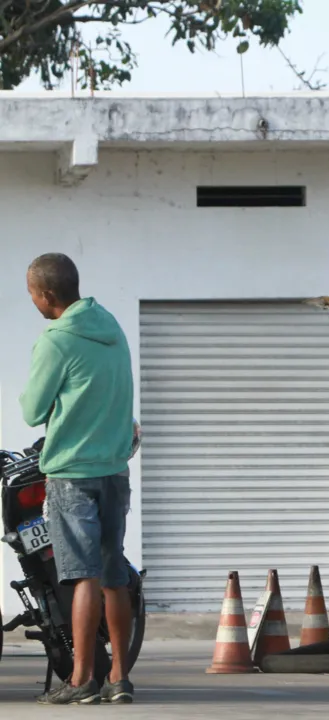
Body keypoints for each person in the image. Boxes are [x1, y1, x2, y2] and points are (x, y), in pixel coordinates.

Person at [18, 253, 136, 705]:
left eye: (31, 293)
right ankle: (120, 679)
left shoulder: (56, 340)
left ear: (46, 295)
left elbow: (31, 411)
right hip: (114, 468)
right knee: (114, 576)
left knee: (83, 577)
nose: (31, 300)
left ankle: (83, 678)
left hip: (71, 472)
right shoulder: (111, 328)